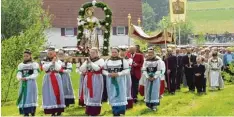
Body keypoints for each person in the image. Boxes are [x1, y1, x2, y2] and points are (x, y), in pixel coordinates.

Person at [103, 47, 129, 116]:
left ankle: (121, 111)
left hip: (120, 80)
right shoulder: (108, 60)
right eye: (112, 52)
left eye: (115, 52)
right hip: (110, 80)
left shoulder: (123, 61)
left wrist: (118, 74)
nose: (114, 53)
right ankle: (115, 111)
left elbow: (127, 70)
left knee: (121, 93)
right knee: (112, 93)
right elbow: (104, 70)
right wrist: (108, 74)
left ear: (118, 52)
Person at [79, 48, 105, 116]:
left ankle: (95, 111)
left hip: (96, 78)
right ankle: (88, 110)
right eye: (91, 52)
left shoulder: (101, 60)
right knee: (88, 93)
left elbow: (97, 68)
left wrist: (90, 62)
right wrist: (86, 63)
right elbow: (81, 69)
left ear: (97, 53)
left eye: (93, 53)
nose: (92, 54)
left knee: (95, 94)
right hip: (88, 78)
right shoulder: (88, 60)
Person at [42, 47, 65, 116]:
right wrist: (52, 62)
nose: (50, 54)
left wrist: (55, 62)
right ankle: (51, 110)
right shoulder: (44, 60)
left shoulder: (58, 60)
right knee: (48, 93)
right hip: (48, 77)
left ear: (54, 53)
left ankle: (59, 109)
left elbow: (58, 68)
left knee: (57, 92)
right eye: (49, 53)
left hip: (56, 76)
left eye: (51, 53)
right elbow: (44, 68)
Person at [16, 49, 39, 116]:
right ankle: (25, 113)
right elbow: (19, 73)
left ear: (30, 56)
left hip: (31, 83)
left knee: (31, 96)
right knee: (23, 96)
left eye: (27, 56)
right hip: (23, 83)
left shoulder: (34, 64)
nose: (25, 57)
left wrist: (27, 78)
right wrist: (20, 78)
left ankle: (32, 111)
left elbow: (35, 74)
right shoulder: (21, 65)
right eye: (24, 56)